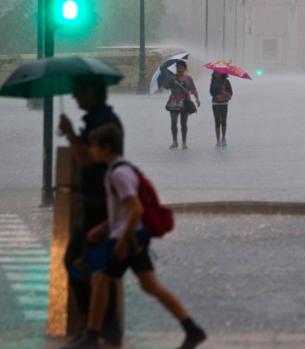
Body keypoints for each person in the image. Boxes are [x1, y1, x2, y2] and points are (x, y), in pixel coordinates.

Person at [65, 124, 207, 349]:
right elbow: (123, 210)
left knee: (102, 277)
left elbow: (136, 209)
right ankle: (192, 329)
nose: (92, 151)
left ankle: (91, 336)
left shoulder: (119, 174)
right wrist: (103, 228)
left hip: (130, 239)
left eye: (95, 146)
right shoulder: (115, 171)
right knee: (145, 285)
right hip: (131, 236)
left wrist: (121, 242)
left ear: (107, 147)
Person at [58, 76, 124, 348]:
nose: (74, 97)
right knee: (92, 267)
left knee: (78, 262)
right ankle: (100, 330)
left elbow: (88, 158)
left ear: (91, 91)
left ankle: (95, 331)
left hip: (99, 205)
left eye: (77, 91)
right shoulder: (100, 118)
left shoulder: (102, 123)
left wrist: (71, 133)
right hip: (94, 202)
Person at [164, 60, 200, 150]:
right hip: (174, 102)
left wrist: (197, 99)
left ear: (185, 68)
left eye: (181, 68)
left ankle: (184, 142)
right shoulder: (172, 78)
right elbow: (166, 86)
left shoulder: (188, 79)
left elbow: (194, 89)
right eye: (178, 68)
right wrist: (168, 79)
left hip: (185, 102)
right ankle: (174, 141)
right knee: (173, 121)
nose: (179, 69)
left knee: (183, 123)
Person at [209, 71, 233, 147]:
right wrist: (218, 93)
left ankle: (223, 138)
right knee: (217, 122)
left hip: (224, 103)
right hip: (215, 103)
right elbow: (211, 92)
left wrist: (225, 92)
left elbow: (231, 92)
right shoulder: (213, 81)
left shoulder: (227, 82)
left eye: (219, 72)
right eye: (216, 72)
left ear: (222, 73)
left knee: (223, 121)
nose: (217, 74)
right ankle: (218, 140)